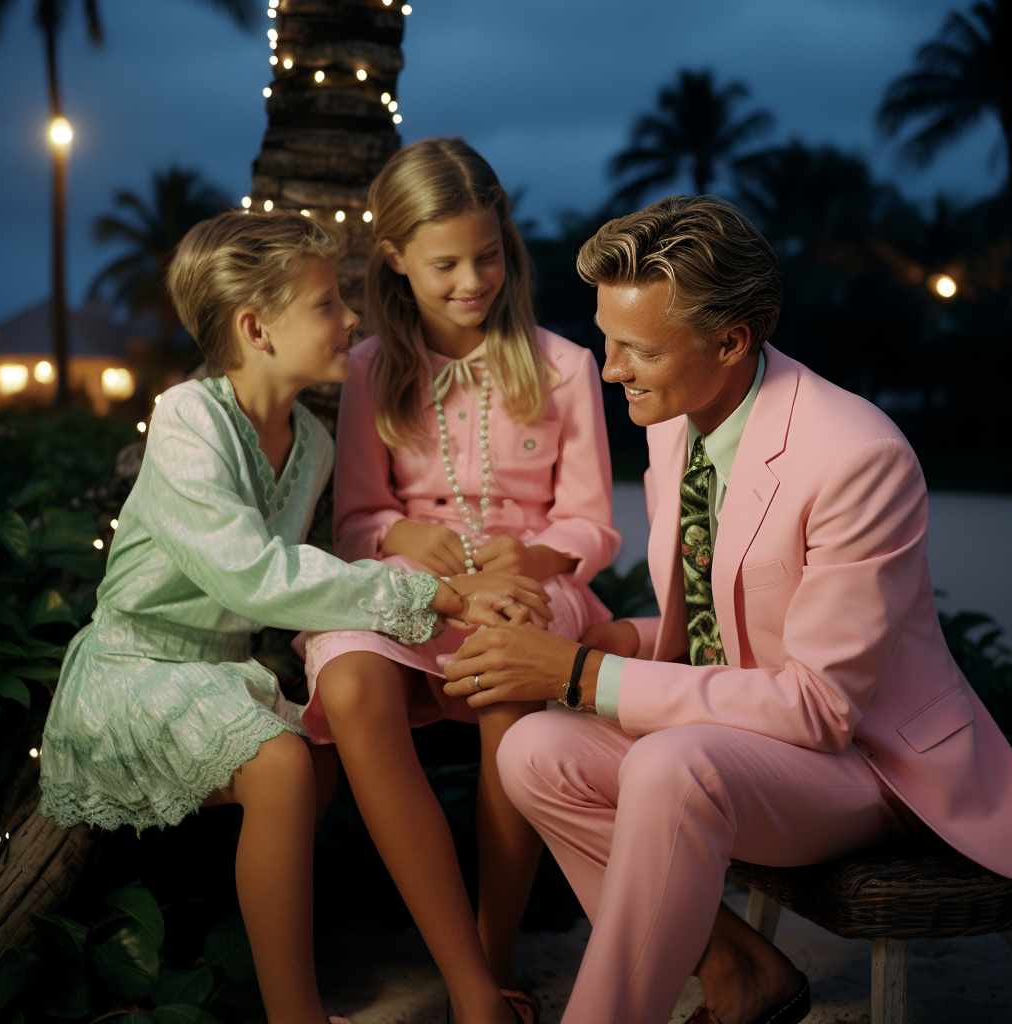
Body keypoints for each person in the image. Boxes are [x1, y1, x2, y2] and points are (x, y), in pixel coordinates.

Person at [443, 196, 1012, 1024]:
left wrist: (584, 672)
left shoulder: (860, 458)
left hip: (877, 767)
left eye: (637, 350)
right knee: (535, 749)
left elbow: (819, 706)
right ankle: (739, 971)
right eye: (607, 340)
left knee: (672, 768)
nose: (610, 371)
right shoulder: (677, 419)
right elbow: (730, 631)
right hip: (754, 745)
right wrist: (619, 638)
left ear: (731, 340)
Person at [38, 210, 551, 1024]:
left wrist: (455, 602)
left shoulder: (310, 440)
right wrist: (432, 594)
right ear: (255, 327)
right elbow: (257, 574)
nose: (350, 318)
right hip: (137, 669)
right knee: (281, 765)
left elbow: (315, 579)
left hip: (222, 674)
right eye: (324, 303)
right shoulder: (186, 421)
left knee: (316, 757)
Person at [298, 138, 620, 1024]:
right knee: (353, 680)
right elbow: (356, 524)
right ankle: (461, 969)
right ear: (396, 260)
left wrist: (536, 558)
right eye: (445, 264)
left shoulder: (564, 366)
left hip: (526, 585)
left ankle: (493, 959)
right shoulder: (368, 369)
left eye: (488, 255)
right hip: (411, 584)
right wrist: (402, 528)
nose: (472, 280)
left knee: (509, 686)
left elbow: (594, 522)